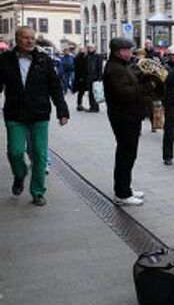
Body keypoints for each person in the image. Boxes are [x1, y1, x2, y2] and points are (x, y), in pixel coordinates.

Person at [0, 27, 69, 206]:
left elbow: (55, 86)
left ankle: (38, 191)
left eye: (32, 38)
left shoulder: (43, 59)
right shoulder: (5, 59)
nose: (30, 41)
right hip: (15, 114)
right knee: (15, 152)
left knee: (39, 154)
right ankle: (20, 175)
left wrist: (62, 111)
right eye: (26, 38)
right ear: (16, 39)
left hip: (39, 114)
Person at [104, 38, 154, 206]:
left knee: (128, 155)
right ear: (119, 51)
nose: (131, 52)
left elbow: (131, 84)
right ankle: (122, 194)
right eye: (128, 49)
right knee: (126, 155)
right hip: (124, 117)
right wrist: (147, 87)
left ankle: (126, 189)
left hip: (129, 116)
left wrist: (143, 76)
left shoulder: (122, 66)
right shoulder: (114, 69)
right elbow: (124, 93)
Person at [74, 43, 103, 112]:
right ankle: (92, 107)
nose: (90, 49)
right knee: (90, 93)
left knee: (95, 93)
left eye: (91, 48)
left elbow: (100, 67)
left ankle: (95, 107)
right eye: (88, 48)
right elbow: (80, 64)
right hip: (88, 77)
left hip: (95, 77)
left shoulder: (97, 56)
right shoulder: (86, 56)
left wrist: (99, 78)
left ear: (94, 48)